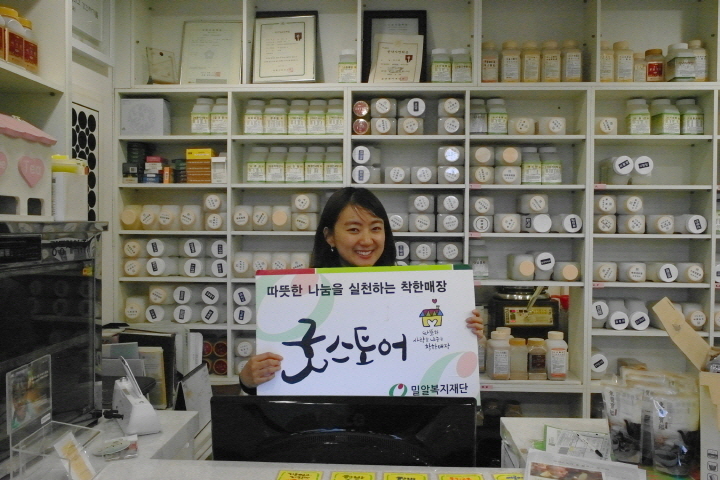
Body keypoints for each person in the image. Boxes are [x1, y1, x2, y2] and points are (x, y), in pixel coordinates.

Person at [238, 187, 485, 393]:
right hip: (324, 422)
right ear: (329, 236)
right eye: (354, 229)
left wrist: (462, 333)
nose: (367, 240)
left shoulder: (413, 292)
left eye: (376, 228)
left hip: (398, 420)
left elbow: (429, 356)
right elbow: (278, 375)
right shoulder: (298, 295)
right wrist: (248, 379)